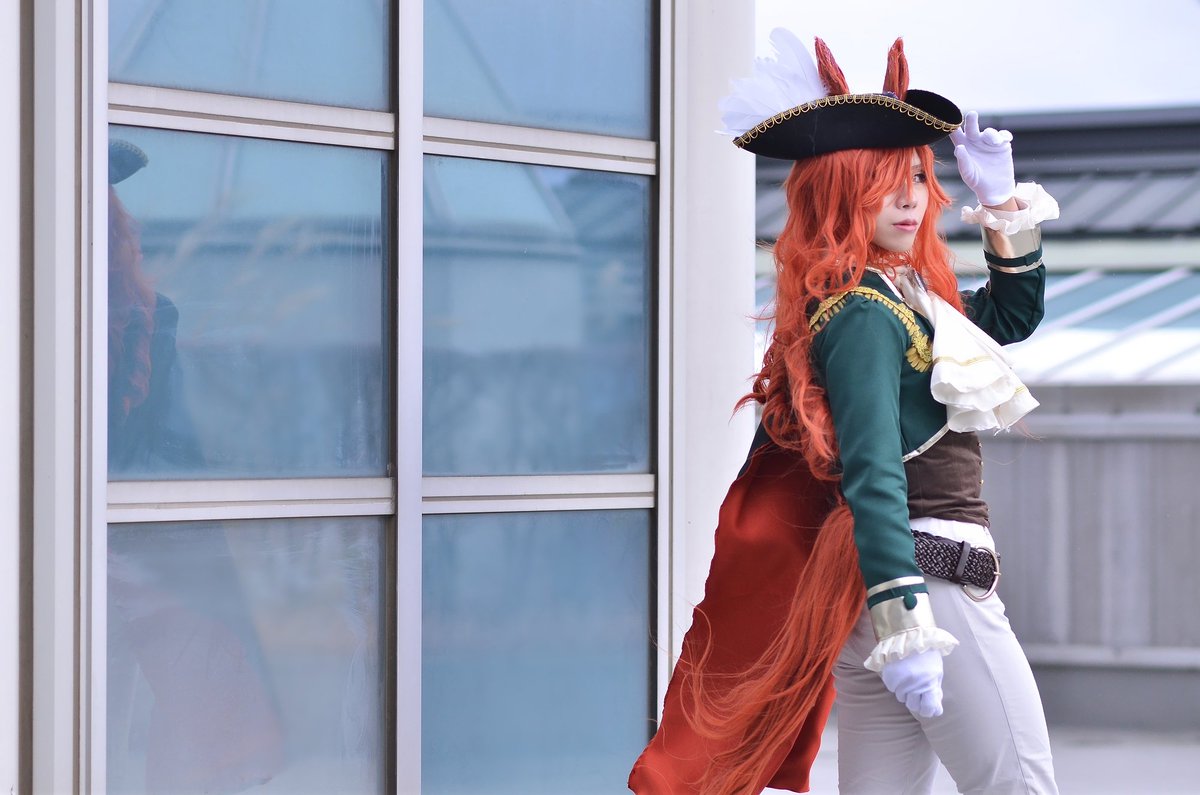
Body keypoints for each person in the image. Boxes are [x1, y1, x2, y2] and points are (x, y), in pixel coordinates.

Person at [628, 30, 1060, 794]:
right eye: (881, 182)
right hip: (926, 595)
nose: (909, 198)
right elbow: (873, 471)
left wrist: (999, 203)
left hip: (888, 606)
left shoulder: (896, 296)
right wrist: (906, 622)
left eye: (917, 176)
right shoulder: (863, 311)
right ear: (836, 192)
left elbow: (1012, 314)